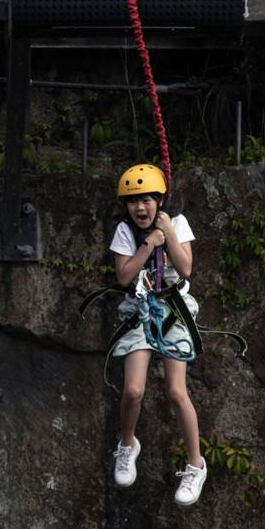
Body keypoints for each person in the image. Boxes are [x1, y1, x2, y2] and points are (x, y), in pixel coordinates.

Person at [108, 163, 207, 508]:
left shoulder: (176, 223)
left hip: (174, 310)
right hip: (140, 309)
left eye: (147, 200)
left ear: (160, 200)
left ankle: (196, 464)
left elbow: (186, 268)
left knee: (176, 391)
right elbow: (123, 277)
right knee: (133, 389)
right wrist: (149, 244)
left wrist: (169, 233)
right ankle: (127, 444)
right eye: (133, 202)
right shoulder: (126, 231)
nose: (140, 208)